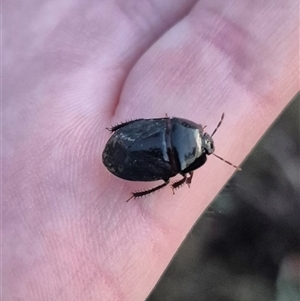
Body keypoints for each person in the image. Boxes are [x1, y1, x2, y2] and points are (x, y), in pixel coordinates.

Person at [3, 0, 298, 300]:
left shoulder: (179, 130)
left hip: (140, 140)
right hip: (152, 154)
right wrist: (184, 177)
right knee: (169, 179)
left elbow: (165, 124)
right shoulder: (180, 162)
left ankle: (125, 159)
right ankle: (137, 189)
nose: (206, 140)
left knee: (165, 159)